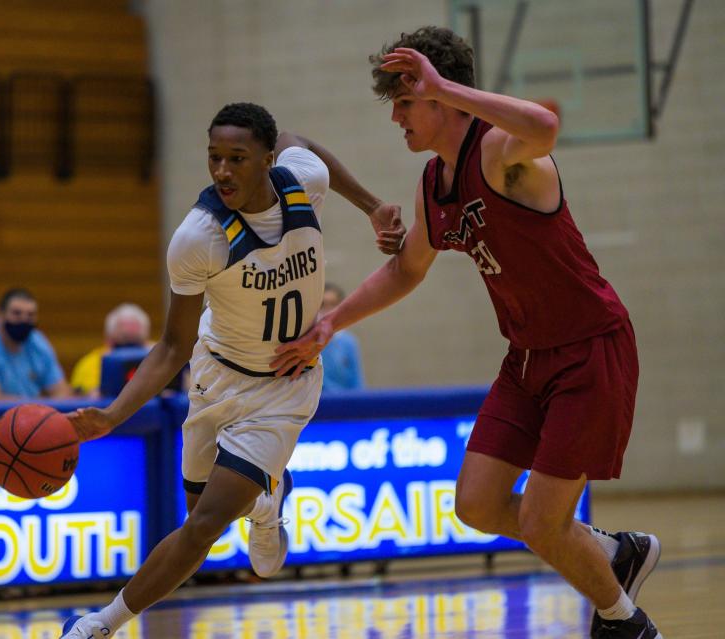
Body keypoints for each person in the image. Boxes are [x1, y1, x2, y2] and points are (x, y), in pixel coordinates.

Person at [272, 27, 661, 639]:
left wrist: (447, 85)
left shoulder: (502, 151)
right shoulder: (434, 183)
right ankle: (614, 554)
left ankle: (626, 623)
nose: (396, 117)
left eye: (406, 101)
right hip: (526, 361)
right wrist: (329, 323)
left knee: (540, 520)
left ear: (439, 97)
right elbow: (407, 270)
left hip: (589, 349)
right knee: (476, 504)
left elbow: (547, 128)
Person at [59, 102, 404, 638]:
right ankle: (267, 501)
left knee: (201, 526)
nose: (222, 171)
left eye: (237, 159)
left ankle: (99, 625)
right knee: (202, 508)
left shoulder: (301, 183)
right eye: (214, 158)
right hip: (215, 376)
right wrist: (112, 415)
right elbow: (171, 347)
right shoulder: (198, 238)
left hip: (284, 388)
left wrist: (373, 206)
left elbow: (300, 138)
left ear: (268, 160)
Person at [0, 287, 72, 400]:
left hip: (30, 415)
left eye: (30, 315)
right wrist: (38, 408)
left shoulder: (37, 342)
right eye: (16, 313)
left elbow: (62, 393)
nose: (24, 320)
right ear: (0, 314)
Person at [69, 303, 155, 397]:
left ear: (147, 341)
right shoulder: (90, 364)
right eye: (123, 346)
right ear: (108, 341)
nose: (129, 354)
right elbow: (92, 399)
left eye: (136, 345)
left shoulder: (158, 360)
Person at [319, 282, 364, 392]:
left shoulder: (349, 342)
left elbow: (357, 382)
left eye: (332, 304)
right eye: (323, 304)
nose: (327, 310)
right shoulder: (306, 341)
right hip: (315, 406)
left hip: (344, 404)